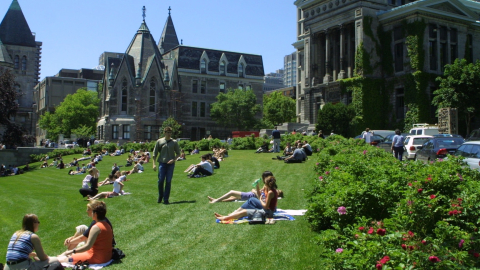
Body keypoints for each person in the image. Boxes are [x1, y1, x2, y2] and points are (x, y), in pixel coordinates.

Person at [208, 171, 282, 203]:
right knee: (234, 197)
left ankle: (216, 201)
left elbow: (261, 196)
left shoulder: (269, 188)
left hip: (251, 196)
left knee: (232, 192)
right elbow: (261, 192)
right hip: (252, 194)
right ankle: (217, 200)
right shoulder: (269, 185)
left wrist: (255, 191)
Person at [153, 126, 181, 204]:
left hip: (170, 164)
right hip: (162, 163)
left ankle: (166, 199)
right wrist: (154, 164)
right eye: (167, 132)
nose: (169, 134)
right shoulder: (159, 141)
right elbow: (154, 153)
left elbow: (178, 153)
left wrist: (173, 160)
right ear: (164, 133)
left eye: (170, 132)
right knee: (161, 180)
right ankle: (160, 195)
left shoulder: (174, 142)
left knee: (168, 181)